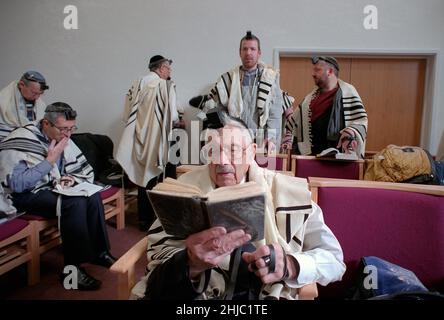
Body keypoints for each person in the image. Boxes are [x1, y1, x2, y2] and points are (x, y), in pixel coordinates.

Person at [131, 112, 345, 300]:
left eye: (233, 150)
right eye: (213, 151)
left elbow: (334, 260)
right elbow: (159, 251)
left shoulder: (286, 191)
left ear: (252, 152)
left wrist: (290, 265)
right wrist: (190, 263)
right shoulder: (185, 190)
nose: (222, 161)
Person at [0, 102, 117, 290]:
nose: (68, 135)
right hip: (21, 196)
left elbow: (68, 168)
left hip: (49, 187)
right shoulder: (21, 140)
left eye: (72, 129)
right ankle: (72, 270)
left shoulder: (62, 136)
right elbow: (17, 184)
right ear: (46, 123)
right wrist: (49, 162)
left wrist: (67, 178)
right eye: (64, 129)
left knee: (92, 195)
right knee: (75, 202)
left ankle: (99, 252)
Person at [116, 55, 185, 231]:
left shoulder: (137, 83)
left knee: (143, 178)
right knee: (167, 177)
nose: (169, 72)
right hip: (160, 139)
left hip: (139, 139)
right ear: (161, 68)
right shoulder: (164, 85)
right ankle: (163, 220)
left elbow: (126, 114)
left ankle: (144, 220)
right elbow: (173, 115)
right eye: (168, 69)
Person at [189, 31, 283, 153]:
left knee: (257, 172)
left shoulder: (270, 79)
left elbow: (274, 113)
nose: (248, 53)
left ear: (259, 53)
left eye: (252, 49)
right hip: (234, 141)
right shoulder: (227, 80)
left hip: (260, 141)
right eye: (245, 49)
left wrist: (270, 138)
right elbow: (219, 110)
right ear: (240, 53)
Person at [281, 56, 368, 158]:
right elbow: (293, 124)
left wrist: (350, 132)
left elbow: (360, 121)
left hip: (338, 160)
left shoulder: (348, 93)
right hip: (312, 158)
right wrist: (288, 139)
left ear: (330, 71)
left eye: (318, 70)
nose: (313, 74)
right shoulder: (309, 99)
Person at [0, 71, 49, 141]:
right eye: (34, 93)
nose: (37, 98)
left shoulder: (40, 103)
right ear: (21, 85)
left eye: (40, 94)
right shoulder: (3, 102)